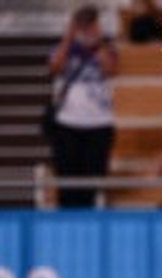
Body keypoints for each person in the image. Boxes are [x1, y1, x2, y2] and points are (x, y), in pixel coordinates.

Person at [48, 5, 118, 208]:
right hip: (67, 123)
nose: (86, 29)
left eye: (91, 24)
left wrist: (99, 40)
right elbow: (55, 68)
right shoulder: (63, 48)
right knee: (67, 182)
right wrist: (69, 37)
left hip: (99, 124)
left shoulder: (107, 49)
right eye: (83, 25)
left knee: (93, 182)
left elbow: (110, 70)